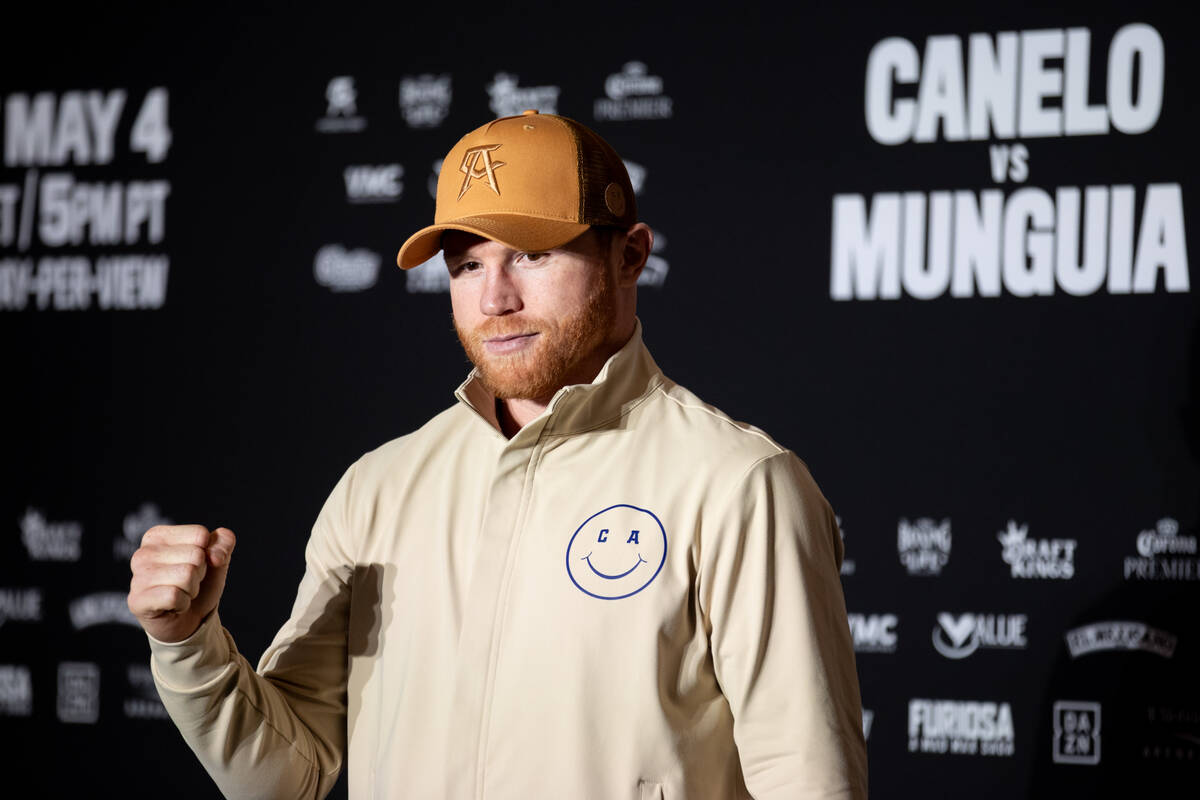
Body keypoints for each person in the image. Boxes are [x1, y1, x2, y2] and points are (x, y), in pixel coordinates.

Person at [127, 110, 868, 799]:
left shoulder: (738, 485)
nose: (494, 300)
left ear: (630, 256)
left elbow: (809, 779)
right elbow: (287, 773)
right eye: (465, 264)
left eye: (532, 254)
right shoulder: (378, 488)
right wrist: (188, 644)